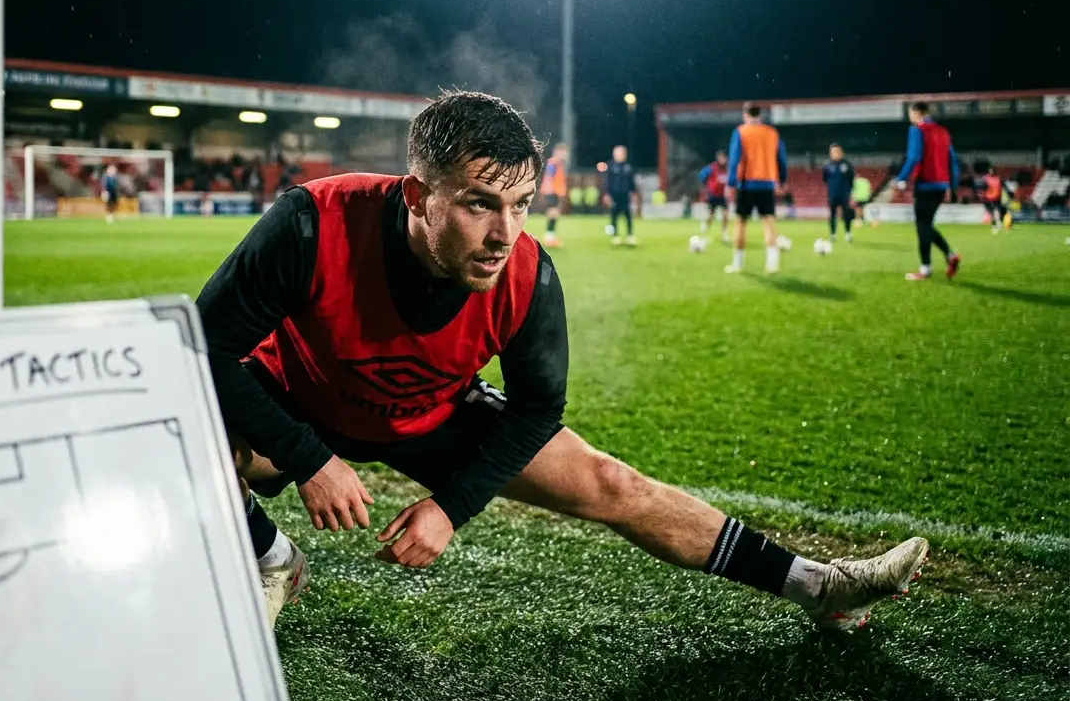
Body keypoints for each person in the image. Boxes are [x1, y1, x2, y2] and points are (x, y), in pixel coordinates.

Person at [194, 90, 928, 633]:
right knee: (185, 444)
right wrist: (309, 458)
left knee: (613, 482)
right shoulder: (310, 223)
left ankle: (821, 587)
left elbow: (538, 411)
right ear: (417, 195)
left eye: (520, 204)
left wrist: (451, 508)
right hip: (296, 397)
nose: (504, 233)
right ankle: (272, 557)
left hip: (430, 413)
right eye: (480, 204)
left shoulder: (527, 275)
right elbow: (203, 349)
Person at [895, 102, 962, 281]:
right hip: (941, 186)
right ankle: (950, 255)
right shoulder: (943, 132)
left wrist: (900, 178)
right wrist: (952, 187)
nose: (910, 117)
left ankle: (925, 269)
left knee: (922, 227)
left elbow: (914, 157)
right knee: (926, 225)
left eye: (911, 114)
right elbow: (953, 162)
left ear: (917, 113)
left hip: (925, 185)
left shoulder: (917, 130)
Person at [725, 103, 787, 274]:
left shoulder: (740, 132)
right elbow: (781, 159)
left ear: (745, 115)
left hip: (746, 184)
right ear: (761, 115)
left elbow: (734, 159)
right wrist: (782, 181)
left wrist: (731, 184)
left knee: (740, 223)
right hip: (767, 184)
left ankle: (737, 264)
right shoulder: (772, 133)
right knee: (768, 222)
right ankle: (772, 264)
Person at [603, 145, 639, 246]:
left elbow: (632, 182)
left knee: (628, 216)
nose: (619, 155)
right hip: (614, 195)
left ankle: (630, 236)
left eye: (621, 153)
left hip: (625, 195)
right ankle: (615, 236)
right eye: (617, 152)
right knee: (614, 215)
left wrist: (634, 193)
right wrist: (607, 194)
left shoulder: (628, 167)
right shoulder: (611, 167)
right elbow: (607, 182)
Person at [822, 143, 857, 243]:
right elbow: (825, 179)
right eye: (833, 152)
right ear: (830, 153)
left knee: (846, 214)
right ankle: (833, 234)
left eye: (837, 151)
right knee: (832, 214)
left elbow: (851, 179)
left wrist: (851, 193)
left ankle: (848, 233)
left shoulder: (847, 164)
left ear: (841, 152)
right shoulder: (827, 165)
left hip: (844, 194)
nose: (835, 153)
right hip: (832, 194)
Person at [696, 150, 731, 243]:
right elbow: (701, 175)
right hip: (713, 194)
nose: (722, 160)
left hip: (723, 195)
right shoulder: (712, 167)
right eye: (720, 157)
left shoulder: (728, 169)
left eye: (724, 158)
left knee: (725, 214)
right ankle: (706, 225)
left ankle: (724, 233)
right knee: (711, 214)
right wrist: (706, 187)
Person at [538, 142, 568, 248]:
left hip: (555, 192)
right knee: (552, 213)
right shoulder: (553, 163)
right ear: (557, 152)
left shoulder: (558, 163)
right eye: (563, 152)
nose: (565, 154)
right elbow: (549, 177)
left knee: (554, 214)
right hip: (552, 192)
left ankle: (551, 237)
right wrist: (551, 191)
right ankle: (549, 238)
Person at [979, 164, 1007, 234]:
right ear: (988, 171)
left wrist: (1009, 193)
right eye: (990, 170)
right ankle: (997, 224)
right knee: (995, 211)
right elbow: (982, 188)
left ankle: (996, 224)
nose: (992, 171)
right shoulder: (985, 179)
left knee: (1001, 211)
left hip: (997, 199)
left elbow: (1004, 186)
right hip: (988, 199)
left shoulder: (998, 178)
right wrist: (983, 196)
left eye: (993, 170)